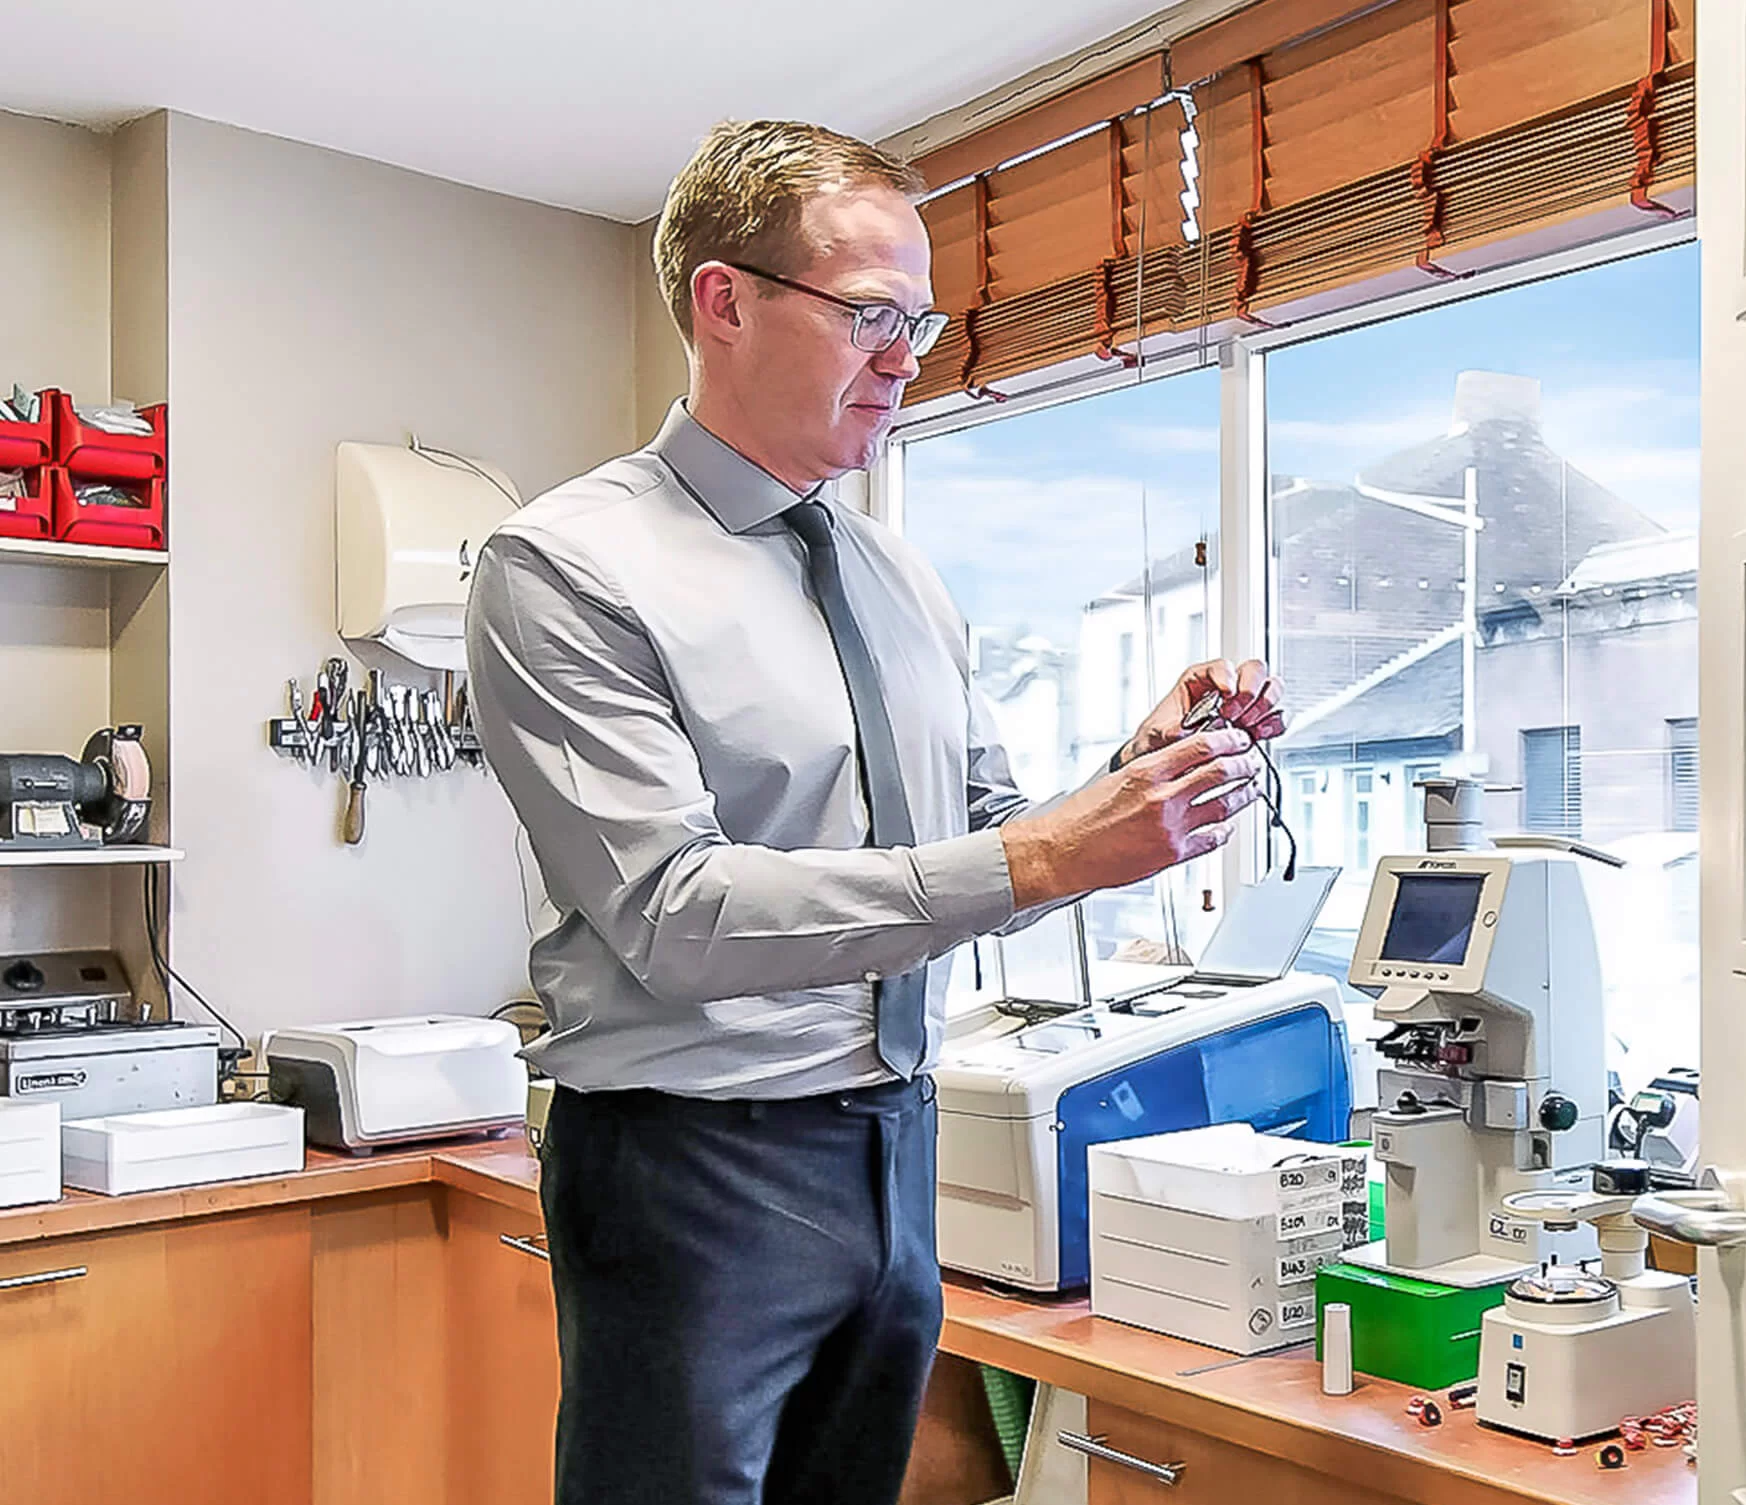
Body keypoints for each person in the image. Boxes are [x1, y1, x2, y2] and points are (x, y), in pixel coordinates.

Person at [464, 118, 1286, 1505]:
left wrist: (1128, 778)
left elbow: (984, 829)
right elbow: (676, 914)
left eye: (923, 316)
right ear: (724, 302)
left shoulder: (902, 577)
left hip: (901, 1139)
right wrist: (1040, 849)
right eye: (869, 315)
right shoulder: (565, 567)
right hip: (693, 1167)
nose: (909, 354)